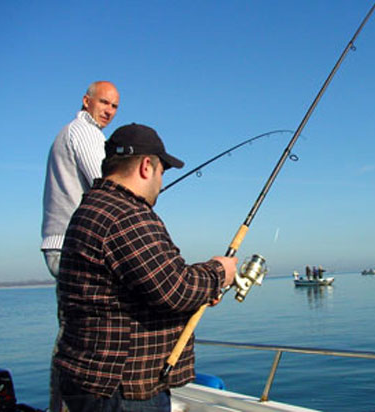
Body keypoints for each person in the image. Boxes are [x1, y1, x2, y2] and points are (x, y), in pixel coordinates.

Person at [53, 123, 238, 412]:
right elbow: (175, 289)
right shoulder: (125, 214)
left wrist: (201, 291)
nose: (161, 184)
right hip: (122, 390)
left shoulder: (92, 208)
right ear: (146, 166)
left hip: (92, 381)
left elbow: (147, 285)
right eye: (162, 172)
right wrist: (220, 272)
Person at [41, 81, 120, 277]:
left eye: (114, 106)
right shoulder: (85, 132)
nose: (109, 111)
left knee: (72, 307)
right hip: (74, 245)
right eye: (104, 102)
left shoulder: (68, 131)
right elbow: (107, 186)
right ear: (86, 101)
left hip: (61, 244)